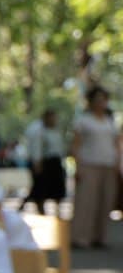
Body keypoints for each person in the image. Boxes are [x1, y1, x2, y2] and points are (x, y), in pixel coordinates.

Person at [69, 86, 121, 249]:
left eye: (103, 99)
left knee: (105, 201)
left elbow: (116, 144)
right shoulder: (83, 120)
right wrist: (77, 166)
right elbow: (76, 145)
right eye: (97, 99)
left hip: (108, 165)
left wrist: (117, 164)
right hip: (88, 164)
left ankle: (100, 237)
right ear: (91, 102)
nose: (101, 103)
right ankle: (80, 237)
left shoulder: (110, 121)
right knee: (86, 202)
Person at [23, 109, 67, 213]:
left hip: (55, 162)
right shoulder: (38, 130)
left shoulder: (56, 131)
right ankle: (40, 208)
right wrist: (37, 162)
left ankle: (57, 209)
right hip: (44, 162)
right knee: (41, 188)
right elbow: (36, 148)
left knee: (57, 187)